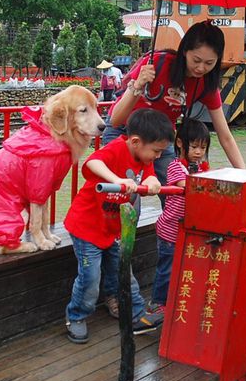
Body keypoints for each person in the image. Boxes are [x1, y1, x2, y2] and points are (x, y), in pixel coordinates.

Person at [62, 108, 174, 344]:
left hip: (113, 229)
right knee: (90, 278)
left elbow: (150, 175)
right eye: (156, 151)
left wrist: (153, 182)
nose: (157, 156)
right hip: (87, 228)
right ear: (136, 142)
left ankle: (136, 314)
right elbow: (92, 162)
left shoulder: (144, 158)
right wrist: (117, 180)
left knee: (124, 271)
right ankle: (76, 316)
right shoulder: (116, 149)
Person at [104, 20, 246, 190]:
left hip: (161, 140)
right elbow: (116, 120)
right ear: (185, 51)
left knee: (179, 194)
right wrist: (139, 84)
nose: (201, 68)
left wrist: (245, 175)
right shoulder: (156, 63)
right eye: (196, 60)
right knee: (126, 197)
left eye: (209, 63)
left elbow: (225, 136)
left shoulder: (207, 85)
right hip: (125, 133)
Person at [150, 118, 211, 313]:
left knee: (186, 266)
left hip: (187, 230)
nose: (198, 152)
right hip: (170, 230)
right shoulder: (175, 167)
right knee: (167, 269)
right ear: (179, 143)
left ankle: (178, 298)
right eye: (194, 146)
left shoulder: (202, 167)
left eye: (203, 147)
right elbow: (190, 186)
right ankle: (158, 302)